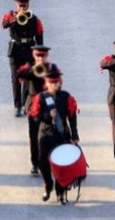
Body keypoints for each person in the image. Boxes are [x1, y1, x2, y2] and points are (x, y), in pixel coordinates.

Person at [29, 68, 80, 204]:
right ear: (47, 83)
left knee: (62, 163)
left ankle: (61, 191)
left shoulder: (65, 96)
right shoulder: (41, 97)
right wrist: (46, 116)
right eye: (51, 82)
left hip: (61, 134)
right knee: (42, 162)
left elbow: (72, 116)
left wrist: (74, 135)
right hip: (45, 133)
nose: (54, 85)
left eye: (56, 82)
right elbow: (34, 117)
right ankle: (48, 184)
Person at [2, 0, 45, 117]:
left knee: (27, 78)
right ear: (17, 6)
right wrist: (14, 19)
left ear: (28, 6)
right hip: (15, 50)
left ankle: (25, 105)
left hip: (29, 50)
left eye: (25, 6)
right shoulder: (10, 15)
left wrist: (40, 54)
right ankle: (17, 106)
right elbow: (4, 24)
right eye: (20, 6)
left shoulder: (34, 19)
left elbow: (39, 35)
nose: (23, 8)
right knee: (15, 78)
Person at [15, 46, 53, 175]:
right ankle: (35, 163)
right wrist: (31, 69)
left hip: (48, 103)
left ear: (46, 57)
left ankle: (47, 160)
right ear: (34, 55)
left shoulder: (51, 68)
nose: (40, 59)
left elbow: (57, 84)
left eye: (43, 56)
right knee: (34, 135)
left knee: (48, 133)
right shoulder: (30, 67)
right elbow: (18, 75)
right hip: (33, 104)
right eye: (38, 56)